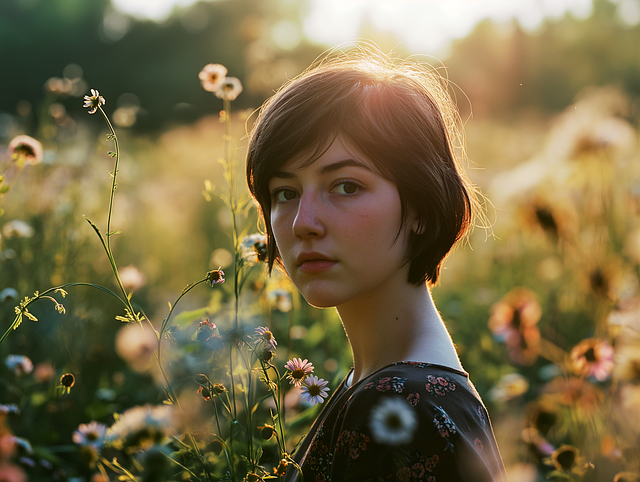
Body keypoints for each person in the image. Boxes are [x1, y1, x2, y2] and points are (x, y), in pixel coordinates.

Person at [245, 44, 507, 482]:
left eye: (346, 186)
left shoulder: (400, 404)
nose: (303, 222)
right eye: (285, 192)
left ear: (421, 206)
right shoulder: (384, 386)